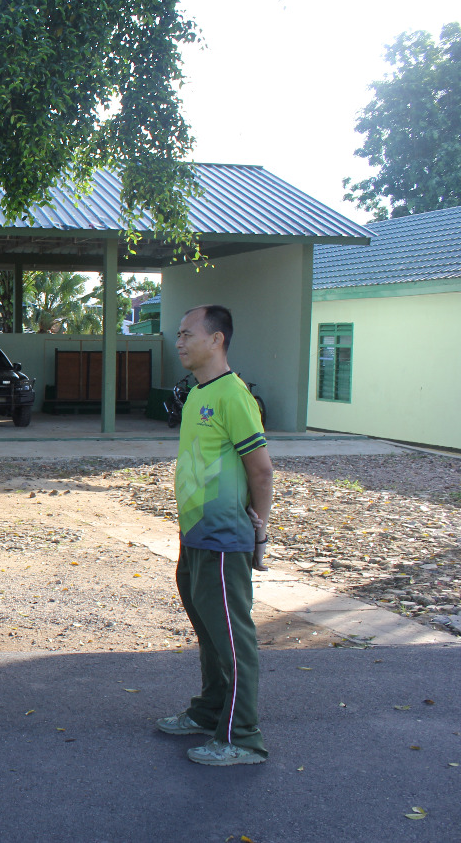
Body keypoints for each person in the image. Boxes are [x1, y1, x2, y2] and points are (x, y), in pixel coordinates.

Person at [156, 304, 274, 766]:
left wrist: (259, 529)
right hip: (197, 536)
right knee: (209, 630)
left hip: (225, 539)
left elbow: (261, 471)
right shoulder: (199, 393)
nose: (179, 342)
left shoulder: (233, 395)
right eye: (179, 335)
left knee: (232, 635)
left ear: (216, 340)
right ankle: (209, 712)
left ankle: (243, 737)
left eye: (187, 334)